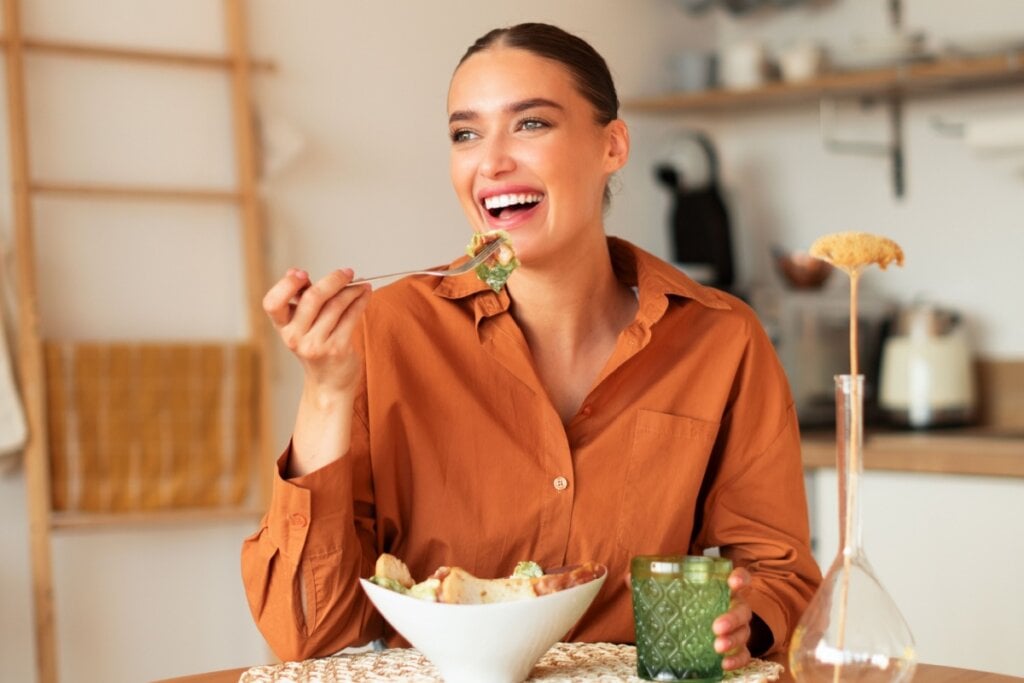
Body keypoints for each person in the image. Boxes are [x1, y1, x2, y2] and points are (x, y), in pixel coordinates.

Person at [242, 22, 821, 669]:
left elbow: (780, 574)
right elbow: (305, 626)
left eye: (531, 125)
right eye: (466, 133)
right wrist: (325, 390)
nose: (490, 161)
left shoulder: (721, 338)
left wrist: (750, 619)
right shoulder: (391, 329)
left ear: (613, 145)